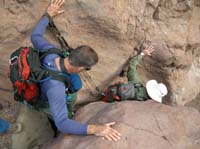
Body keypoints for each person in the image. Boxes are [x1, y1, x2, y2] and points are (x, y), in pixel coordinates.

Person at [30, 0, 121, 141]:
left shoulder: (51, 51)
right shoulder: (56, 88)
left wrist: (48, 15)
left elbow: (35, 36)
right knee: (58, 115)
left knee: (75, 86)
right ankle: (47, 118)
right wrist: (95, 129)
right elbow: (62, 123)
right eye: (87, 68)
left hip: (42, 78)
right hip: (43, 98)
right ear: (79, 67)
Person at [102, 45, 168, 103]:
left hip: (110, 96)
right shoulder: (144, 103)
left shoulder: (136, 83)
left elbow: (132, 65)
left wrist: (142, 53)